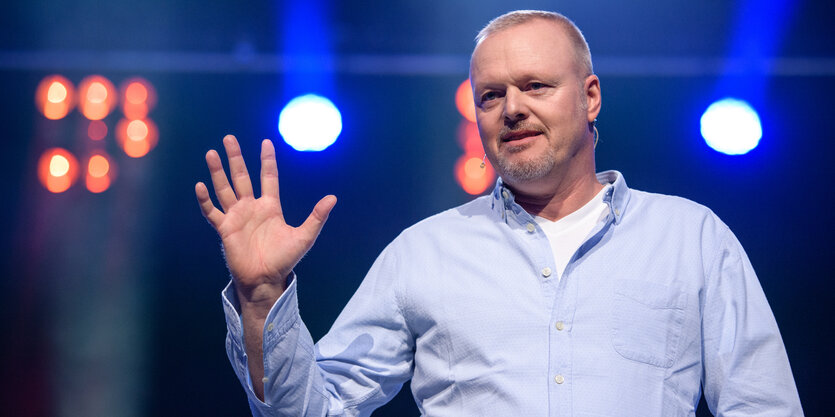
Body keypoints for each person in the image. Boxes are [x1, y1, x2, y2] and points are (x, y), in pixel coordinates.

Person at [196, 10, 803, 417]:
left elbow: (763, 405)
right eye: (491, 95)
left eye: (535, 86)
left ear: (590, 96)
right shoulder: (423, 252)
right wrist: (261, 294)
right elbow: (313, 409)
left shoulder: (691, 238)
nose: (511, 108)